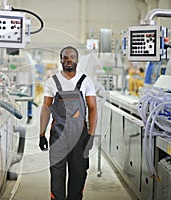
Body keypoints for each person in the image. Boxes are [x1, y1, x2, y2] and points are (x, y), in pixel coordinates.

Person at [39, 46, 97, 200]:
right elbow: (46, 107)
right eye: (65, 57)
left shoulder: (85, 81)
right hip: (58, 136)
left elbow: (92, 108)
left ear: (77, 60)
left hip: (80, 137)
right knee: (57, 175)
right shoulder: (52, 81)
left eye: (72, 57)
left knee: (78, 174)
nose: (68, 60)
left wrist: (91, 134)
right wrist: (41, 133)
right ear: (61, 60)